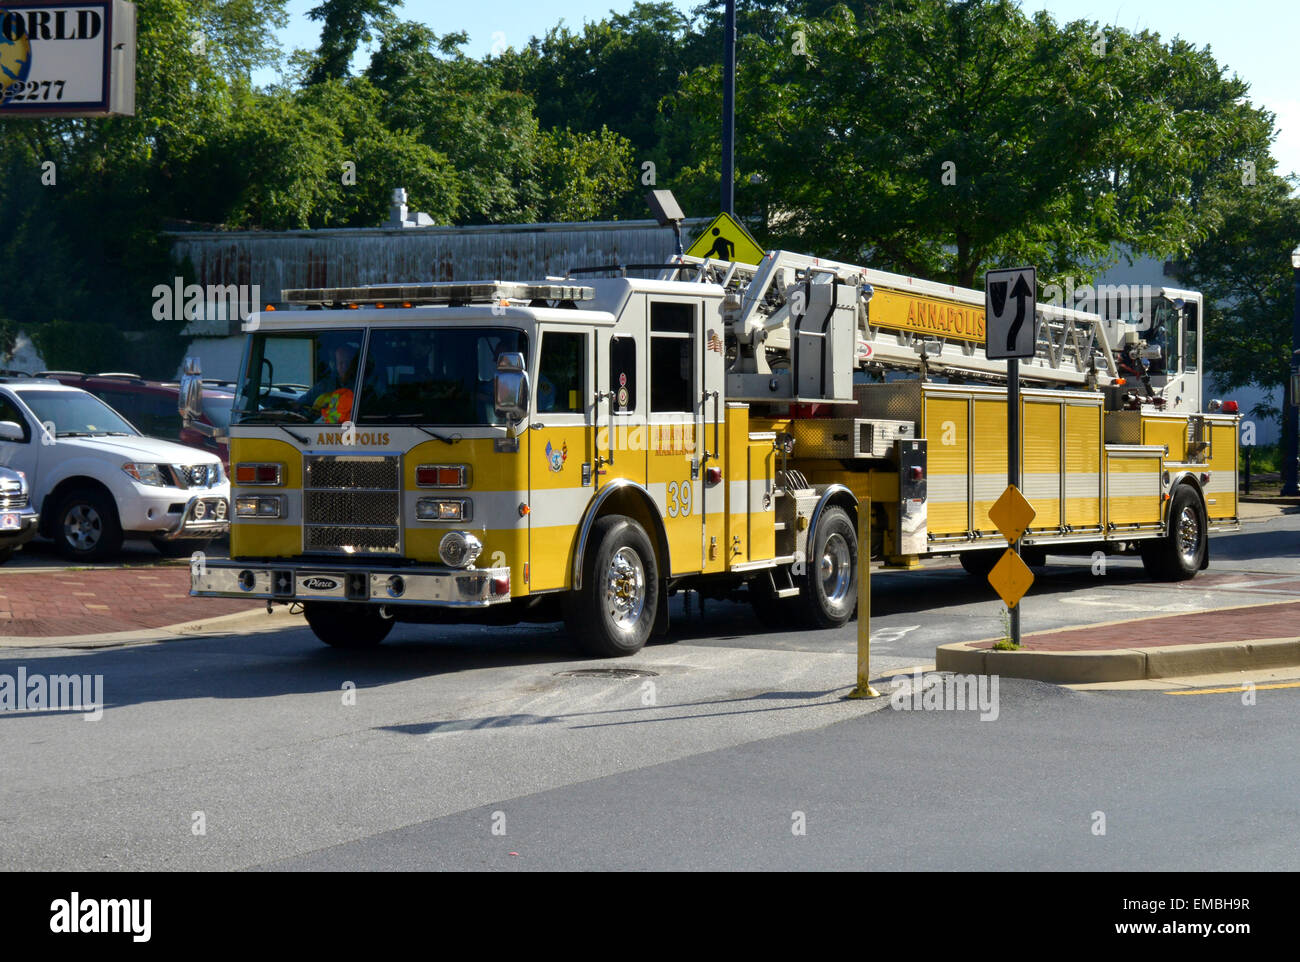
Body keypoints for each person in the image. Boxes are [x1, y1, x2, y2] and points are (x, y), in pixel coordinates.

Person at [301, 344, 357, 423]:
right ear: (335, 365)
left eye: (347, 363)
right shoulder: (325, 385)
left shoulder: (361, 387)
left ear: (353, 365)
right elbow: (304, 401)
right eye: (340, 363)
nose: (344, 367)